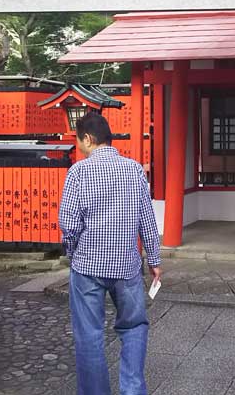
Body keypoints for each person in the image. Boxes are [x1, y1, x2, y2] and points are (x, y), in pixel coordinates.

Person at [59, 112, 162, 395]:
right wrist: (154, 260)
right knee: (134, 327)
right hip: (126, 267)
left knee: (89, 335)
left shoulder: (78, 173)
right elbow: (147, 218)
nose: (79, 146)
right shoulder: (134, 170)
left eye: (79, 140)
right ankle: (132, 390)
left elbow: (68, 222)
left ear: (89, 139)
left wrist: (72, 251)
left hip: (87, 267)